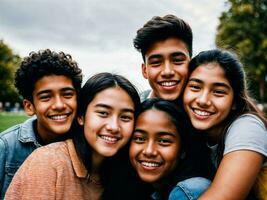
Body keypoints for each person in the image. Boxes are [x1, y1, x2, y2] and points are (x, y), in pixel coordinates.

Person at [5, 72, 141, 199]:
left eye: (125, 117)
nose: (113, 127)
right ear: (81, 116)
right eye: (103, 113)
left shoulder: (128, 173)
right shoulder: (48, 163)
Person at [183, 49, 267, 199]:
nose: (203, 100)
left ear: (235, 101)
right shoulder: (193, 130)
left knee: (192, 189)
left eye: (218, 92)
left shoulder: (248, 127)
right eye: (195, 87)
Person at [0, 49, 82, 198]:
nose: (59, 105)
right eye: (46, 97)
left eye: (67, 94)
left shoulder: (88, 142)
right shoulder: (5, 147)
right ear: (29, 106)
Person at [130, 98, 212, 200]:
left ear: (183, 149)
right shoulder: (152, 190)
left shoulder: (189, 190)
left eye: (164, 141)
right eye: (140, 138)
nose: (149, 151)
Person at [133, 14, 192, 101]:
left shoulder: (210, 109)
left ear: (191, 64)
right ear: (144, 70)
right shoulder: (133, 111)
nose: (167, 72)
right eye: (156, 62)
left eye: (177, 60)